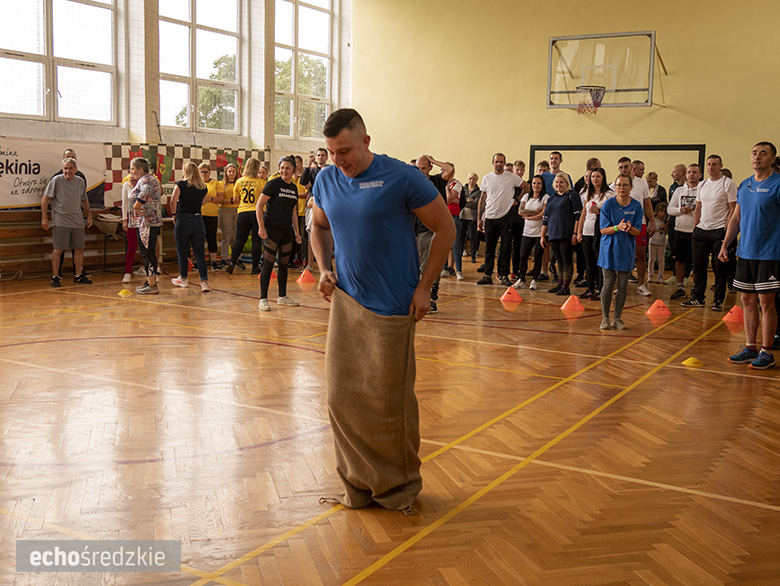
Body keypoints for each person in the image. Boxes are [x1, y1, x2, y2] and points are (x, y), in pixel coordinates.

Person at [310, 108, 454, 511]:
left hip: (393, 306)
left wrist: (425, 288)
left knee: (388, 402)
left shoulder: (403, 178)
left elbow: (446, 228)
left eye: (345, 151)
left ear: (366, 142)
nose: (339, 161)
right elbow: (319, 227)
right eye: (332, 153)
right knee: (341, 398)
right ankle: (358, 486)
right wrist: (323, 268)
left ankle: (399, 488)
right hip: (346, 304)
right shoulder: (326, 179)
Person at [719, 142, 780, 370]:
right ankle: (750, 347)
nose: (757, 157)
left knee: (766, 302)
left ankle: (767, 351)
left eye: (763, 153)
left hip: (770, 253)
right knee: (747, 300)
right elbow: (736, 219)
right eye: (754, 153)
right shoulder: (745, 185)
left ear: (772, 158)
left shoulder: (777, 184)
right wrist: (725, 245)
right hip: (745, 252)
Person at [683, 155, 737, 311]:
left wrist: (726, 230)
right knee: (698, 266)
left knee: (719, 266)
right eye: (708, 164)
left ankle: (718, 300)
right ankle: (697, 298)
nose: (711, 167)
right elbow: (698, 208)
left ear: (720, 166)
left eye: (714, 164)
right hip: (701, 230)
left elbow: (733, 209)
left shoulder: (728, 183)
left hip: (719, 230)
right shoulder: (703, 184)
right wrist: (695, 228)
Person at [255, 155, 302, 311]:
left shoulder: (294, 188)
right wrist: (261, 227)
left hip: (287, 230)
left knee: (283, 264)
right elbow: (259, 205)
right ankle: (263, 299)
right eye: (282, 168)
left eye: (287, 168)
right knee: (268, 264)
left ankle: (282, 296)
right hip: (271, 230)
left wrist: (297, 232)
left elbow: (294, 212)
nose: (284, 171)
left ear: (293, 170)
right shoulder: (273, 184)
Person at [598, 174, 644, 330]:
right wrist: (618, 227)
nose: (622, 188)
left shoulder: (637, 206)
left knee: (623, 285)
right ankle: (605, 318)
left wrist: (630, 229)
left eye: (625, 185)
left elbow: (638, 232)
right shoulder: (608, 205)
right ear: (614, 187)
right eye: (619, 185)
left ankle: (617, 318)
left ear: (631, 187)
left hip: (626, 250)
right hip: (609, 249)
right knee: (608, 283)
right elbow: (603, 230)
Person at [41, 157, 93, 287]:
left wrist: (89, 215)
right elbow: (45, 198)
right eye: (65, 168)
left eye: (70, 168)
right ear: (62, 169)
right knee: (58, 249)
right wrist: (44, 217)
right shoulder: (56, 180)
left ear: (75, 169)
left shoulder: (80, 182)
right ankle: (55, 276)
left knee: (79, 249)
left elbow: (84, 200)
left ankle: (78, 275)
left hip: (77, 220)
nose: (68, 171)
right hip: (61, 220)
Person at [477, 153, 523, 287]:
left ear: (504, 163)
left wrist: (517, 200)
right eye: (497, 161)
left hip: (505, 217)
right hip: (490, 217)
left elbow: (526, 187)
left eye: (501, 162)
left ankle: (503, 275)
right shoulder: (486, 178)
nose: (499, 164)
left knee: (506, 248)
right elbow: (482, 198)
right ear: (493, 162)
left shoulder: (511, 177)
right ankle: (487, 275)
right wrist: (480, 217)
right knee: (489, 248)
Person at [415, 155, 454, 312]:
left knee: (433, 264)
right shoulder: (413, 184)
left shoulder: (437, 180)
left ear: (430, 168)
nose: (421, 172)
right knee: (422, 266)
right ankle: (424, 297)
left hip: (437, 229)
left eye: (424, 168)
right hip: (421, 230)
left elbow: (450, 169)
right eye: (418, 169)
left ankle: (431, 297)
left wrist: (434, 160)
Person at [169, 162, 210, 292]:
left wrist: (174, 214)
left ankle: (184, 279)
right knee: (200, 254)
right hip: (198, 219)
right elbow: (203, 201)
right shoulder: (203, 187)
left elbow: (172, 200)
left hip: (183, 218)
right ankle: (204, 282)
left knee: (182, 252)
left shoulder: (181, 184)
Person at [541, 173, 581, 296]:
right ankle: (560, 283)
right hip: (553, 234)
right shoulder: (551, 198)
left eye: (562, 182)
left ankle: (566, 286)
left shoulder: (572, 196)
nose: (559, 184)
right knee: (559, 260)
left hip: (566, 233)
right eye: (557, 182)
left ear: (567, 184)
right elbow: (545, 218)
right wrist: (543, 235)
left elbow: (578, 216)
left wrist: (575, 233)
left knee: (566, 260)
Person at [576, 167, 613, 300]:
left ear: (603, 178)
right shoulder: (588, 193)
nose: (594, 179)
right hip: (587, 231)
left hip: (601, 232)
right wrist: (579, 231)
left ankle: (601, 289)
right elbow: (583, 213)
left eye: (597, 176)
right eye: (592, 177)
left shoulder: (609, 194)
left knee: (600, 262)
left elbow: (611, 214)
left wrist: (598, 211)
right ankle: (590, 289)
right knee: (589, 262)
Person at [129, 157, 163, 295]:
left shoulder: (145, 180)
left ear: (140, 169)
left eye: (132, 169)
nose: (131, 172)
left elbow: (144, 193)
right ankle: (151, 281)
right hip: (151, 221)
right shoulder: (152, 178)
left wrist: (137, 207)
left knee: (147, 253)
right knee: (149, 252)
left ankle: (152, 285)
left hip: (146, 223)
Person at [668, 164, 702, 300]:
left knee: (697, 262)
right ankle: (680, 287)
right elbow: (670, 209)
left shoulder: (703, 189)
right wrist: (680, 210)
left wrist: (696, 211)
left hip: (697, 231)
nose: (691, 175)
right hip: (680, 230)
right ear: (685, 174)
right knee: (679, 261)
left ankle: (696, 289)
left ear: (700, 175)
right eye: (689, 172)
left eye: (694, 172)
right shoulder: (679, 191)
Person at [226, 157, 265, 275]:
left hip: (243, 212)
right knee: (256, 240)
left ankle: (232, 263)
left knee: (239, 239)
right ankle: (254, 267)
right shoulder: (261, 182)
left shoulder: (239, 181)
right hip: (257, 213)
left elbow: (235, 199)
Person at [513, 174, 548, 290]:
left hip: (540, 232)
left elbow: (543, 214)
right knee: (523, 256)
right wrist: (534, 212)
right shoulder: (526, 196)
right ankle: (521, 279)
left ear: (542, 185)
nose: (536, 186)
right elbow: (520, 211)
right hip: (527, 232)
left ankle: (534, 280)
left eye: (538, 183)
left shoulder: (545, 197)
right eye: (534, 183)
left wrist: (528, 216)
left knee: (538, 256)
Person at [198, 163, 223, 271]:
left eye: (206, 172)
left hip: (211, 214)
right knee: (198, 239)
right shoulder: (196, 183)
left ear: (210, 172)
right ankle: (199, 261)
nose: (204, 174)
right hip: (198, 214)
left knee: (211, 237)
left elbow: (221, 199)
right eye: (202, 172)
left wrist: (210, 199)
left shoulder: (215, 183)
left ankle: (213, 261)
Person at [509, 160, 530, 280]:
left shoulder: (526, 187)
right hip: (508, 219)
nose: (519, 172)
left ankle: (516, 271)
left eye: (522, 170)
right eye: (517, 170)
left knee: (518, 247)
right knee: (506, 247)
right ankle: (502, 271)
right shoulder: (509, 184)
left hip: (521, 220)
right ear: (513, 171)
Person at [218, 162, 240, 269]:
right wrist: (231, 200)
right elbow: (221, 199)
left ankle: (237, 259)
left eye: (233, 171)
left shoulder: (239, 183)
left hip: (238, 210)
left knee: (237, 236)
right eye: (229, 171)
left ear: (236, 173)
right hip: (225, 209)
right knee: (226, 236)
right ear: (226, 172)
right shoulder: (221, 184)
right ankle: (224, 258)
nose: (231, 173)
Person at [121, 165, 139, 283]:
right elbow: (124, 203)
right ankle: (127, 273)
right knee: (131, 246)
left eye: (134, 171)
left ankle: (151, 271)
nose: (131, 174)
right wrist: (124, 220)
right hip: (130, 217)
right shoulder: (126, 185)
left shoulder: (143, 185)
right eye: (130, 171)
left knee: (146, 246)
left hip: (142, 218)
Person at [460, 172, 481, 263]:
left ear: (476, 180)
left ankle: (473, 256)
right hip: (462, 215)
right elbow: (461, 201)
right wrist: (468, 201)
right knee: (461, 236)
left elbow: (476, 204)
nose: (471, 181)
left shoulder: (479, 191)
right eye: (470, 179)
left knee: (473, 237)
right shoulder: (463, 189)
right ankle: (460, 254)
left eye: (474, 179)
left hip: (472, 217)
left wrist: (467, 201)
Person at [648, 202, 668, 283]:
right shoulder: (653, 219)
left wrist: (665, 227)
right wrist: (657, 227)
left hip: (662, 243)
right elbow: (648, 229)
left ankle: (660, 276)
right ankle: (650, 275)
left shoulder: (665, 222)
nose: (663, 213)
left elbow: (667, 232)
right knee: (651, 259)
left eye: (664, 212)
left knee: (661, 260)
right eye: (661, 211)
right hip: (652, 242)